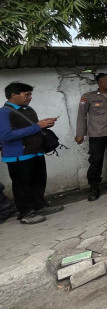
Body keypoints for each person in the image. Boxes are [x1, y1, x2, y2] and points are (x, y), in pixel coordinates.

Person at [0, 82, 63, 224]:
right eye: (26, 94)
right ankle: (25, 213)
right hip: (18, 155)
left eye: (30, 94)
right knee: (22, 186)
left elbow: (32, 128)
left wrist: (44, 124)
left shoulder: (28, 109)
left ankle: (39, 206)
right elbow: (6, 136)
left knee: (38, 182)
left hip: (36, 152)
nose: (30, 97)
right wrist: (37, 126)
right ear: (13, 95)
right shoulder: (4, 113)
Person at [75, 73, 107, 201]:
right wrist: (80, 133)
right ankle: (94, 187)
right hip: (97, 135)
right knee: (96, 161)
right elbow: (82, 115)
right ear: (100, 82)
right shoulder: (88, 97)